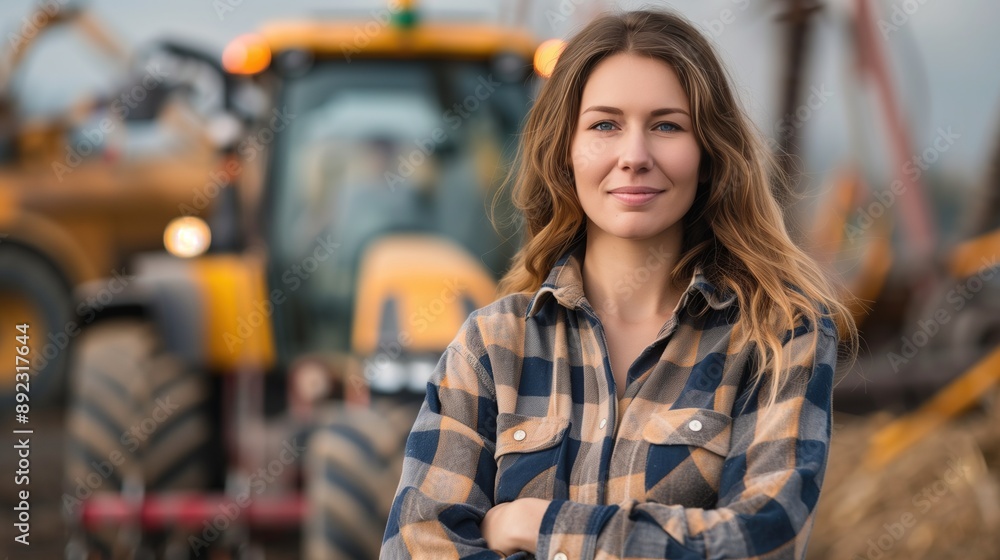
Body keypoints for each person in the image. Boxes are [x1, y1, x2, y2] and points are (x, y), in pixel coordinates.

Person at [380, 8, 858, 560]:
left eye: (667, 125)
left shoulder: (777, 335)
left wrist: (538, 526)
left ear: (707, 155)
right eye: (605, 125)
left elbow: (761, 541)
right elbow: (416, 547)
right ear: (566, 150)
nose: (634, 157)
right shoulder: (492, 346)